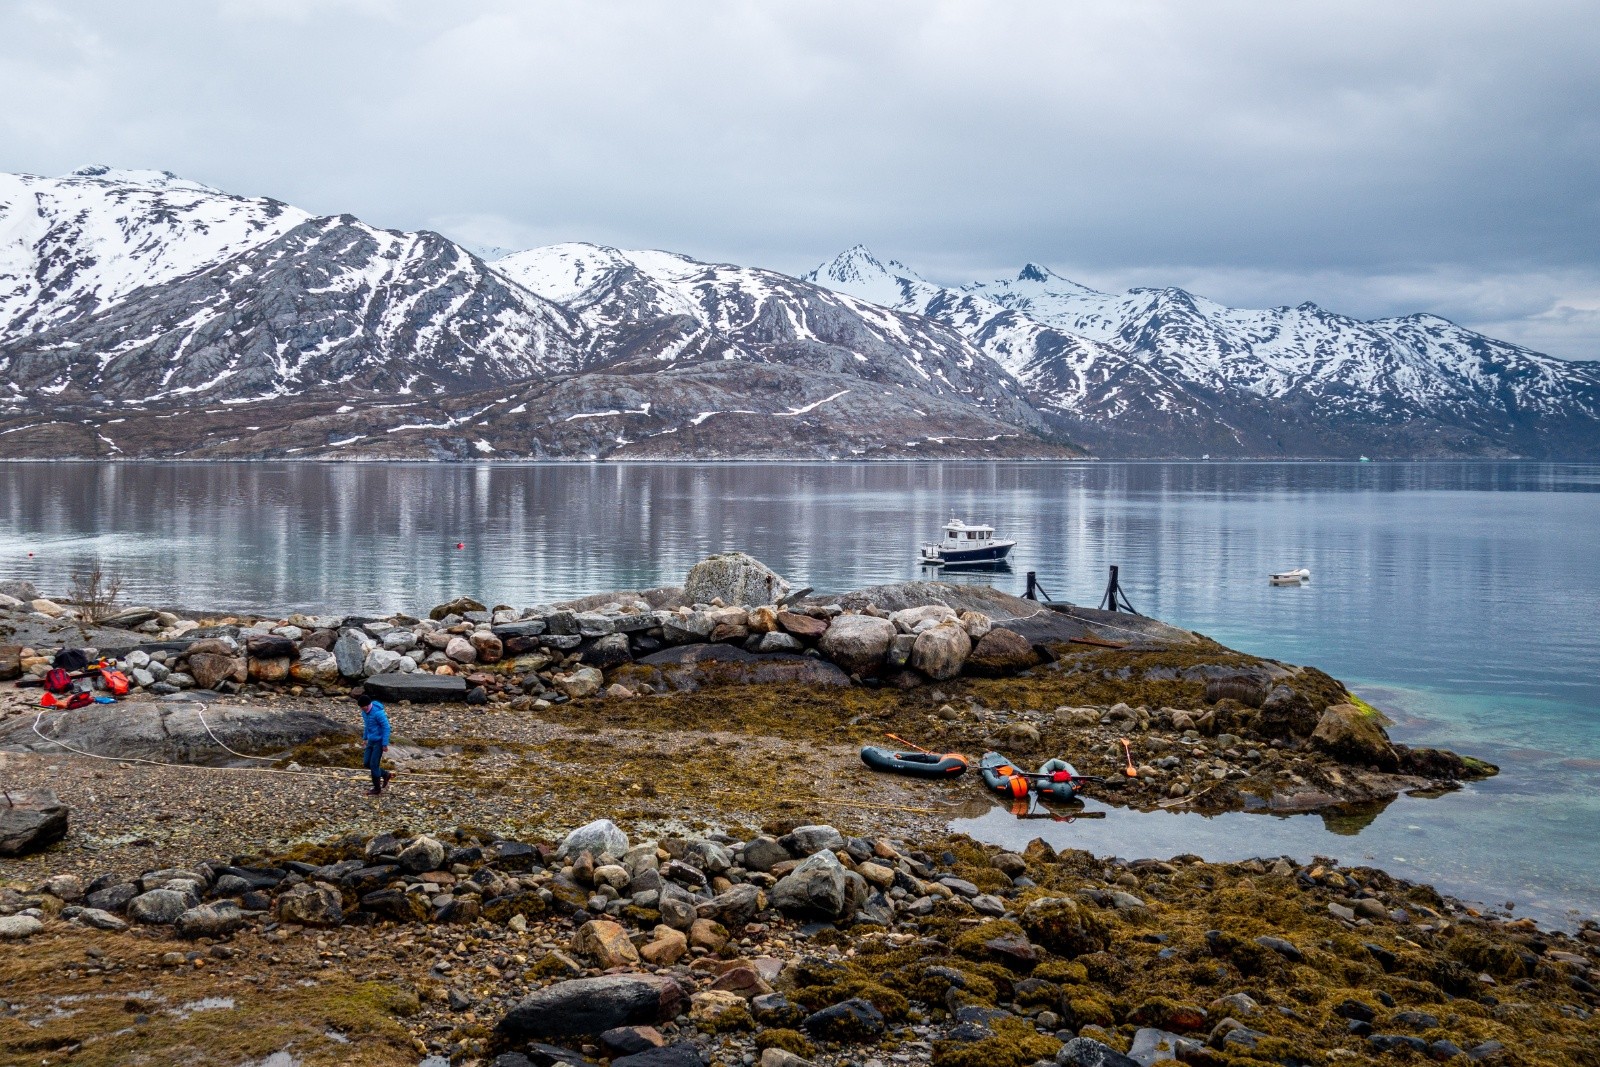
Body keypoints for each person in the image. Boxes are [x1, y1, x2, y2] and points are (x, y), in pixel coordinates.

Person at [360, 697, 394, 796]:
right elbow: (367, 726)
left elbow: (386, 727)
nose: (362, 709)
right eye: (361, 708)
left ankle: (376, 789)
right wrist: (365, 738)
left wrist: (384, 743)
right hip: (371, 740)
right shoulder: (364, 712)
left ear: (368, 705)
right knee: (367, 763)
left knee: (374, 764)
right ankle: (385, 774)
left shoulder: (378, 713)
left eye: (363, 707)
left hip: (379, 742)